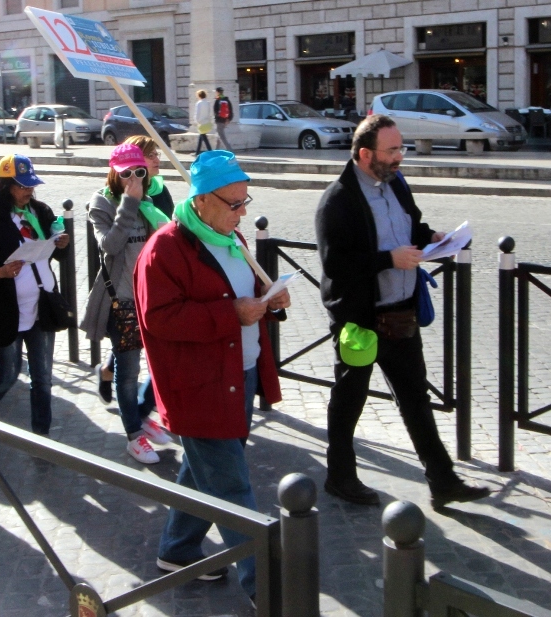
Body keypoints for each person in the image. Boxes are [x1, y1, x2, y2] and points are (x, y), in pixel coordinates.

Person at [133, 150, 289, 604]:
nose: (242, 213)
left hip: (239, 375)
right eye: (233, 204)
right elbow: (159, 318)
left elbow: (242, 293)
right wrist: (231, 314)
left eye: (245, 201)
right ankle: (267, 590)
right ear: (200, 200)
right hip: (199, 385)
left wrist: (268, 299)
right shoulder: (165, 248)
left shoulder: (231, 236)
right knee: (232, 485)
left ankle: (177, 549)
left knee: (206, 471)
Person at [315, 114, 491, 509]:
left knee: (415, 398)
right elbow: (335, 265)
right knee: (349, 399)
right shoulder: (337, 200)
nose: (400, 158)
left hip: (400, 315)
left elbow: (411, 227)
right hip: (359, 320)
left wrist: (434, 238)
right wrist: (388, 260)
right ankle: (339, 477)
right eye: (392, 150)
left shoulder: (396, 184)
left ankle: (443, 481)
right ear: (365, 154)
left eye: (401, 149)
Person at [0, 154, 69, 443]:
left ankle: (42, 436)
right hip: (6, 311)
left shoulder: (41, 211)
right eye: (21, 186)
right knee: (8, 374)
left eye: (30, 185)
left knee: (43, 377)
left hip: (41, 307)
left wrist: (62, 244)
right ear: (5, 187)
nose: (28, 191)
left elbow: (58, 255)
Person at [82, 143, 173, 464]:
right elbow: (110, 245)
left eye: (139, 172)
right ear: (114, 173)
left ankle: (140, 414)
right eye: (126, 173)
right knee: (129, 371)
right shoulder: (102, 203)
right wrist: (129, 203)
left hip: (153, 296)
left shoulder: (149, 200)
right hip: (122, 299)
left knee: (164, 362)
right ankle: (134, 435)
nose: (133, 179)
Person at [194, 90, 213, 156]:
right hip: (207, 123)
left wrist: (196, 121)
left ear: (199, 96)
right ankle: (197, 152)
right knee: (201, 136)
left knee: (204, 137)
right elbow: (210, 113)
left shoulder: (199, 103)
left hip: (201, 123)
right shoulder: (208, 103)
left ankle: (210, 151)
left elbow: (197, 113)